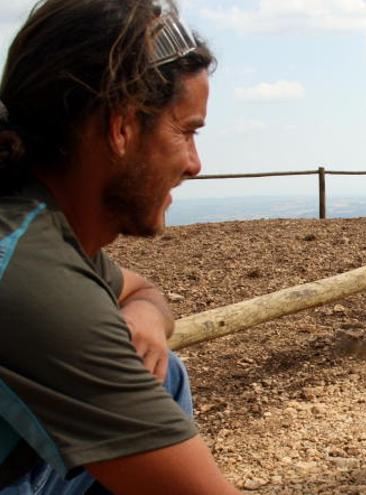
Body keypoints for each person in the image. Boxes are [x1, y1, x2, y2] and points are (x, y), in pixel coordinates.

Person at [0, 0, 240, 493]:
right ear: (121, 127)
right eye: (187, 131)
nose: (195, 164)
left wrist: (146, 318)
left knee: (161, 369)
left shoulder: (32, 224)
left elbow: (140, 287)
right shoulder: (34, 282)